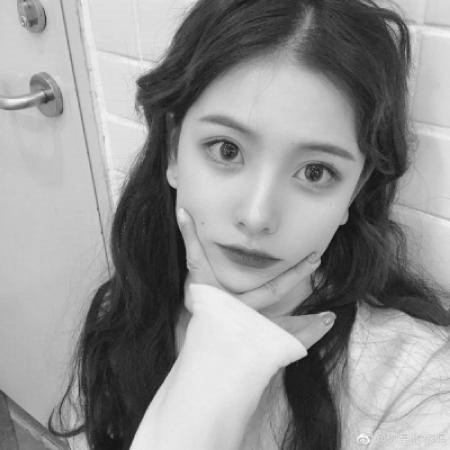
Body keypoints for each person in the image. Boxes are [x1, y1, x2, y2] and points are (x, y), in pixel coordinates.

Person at [49, 0, 450, 449]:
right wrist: (212, 364)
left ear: (354, 192)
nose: (257, 217)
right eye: (227, 150)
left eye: (315, 172)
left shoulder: (416, 383)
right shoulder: (127, 312)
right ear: (174, 151)